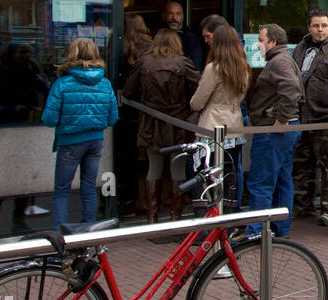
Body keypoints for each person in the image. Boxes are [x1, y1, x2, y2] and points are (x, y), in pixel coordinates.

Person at [123, 28, 201, 223]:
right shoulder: (183, 63)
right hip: (178, 122)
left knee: (154, 167)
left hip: (151, 122)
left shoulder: (143, 62)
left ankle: (152, 218)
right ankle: (176, 216)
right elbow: (200, 88)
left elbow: (127, 91)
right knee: (178, 168)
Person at [41, 39, 118, 230]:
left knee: (62, 190)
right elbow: (112, 118)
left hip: (70, 142)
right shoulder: (105, 83)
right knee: (89, 188)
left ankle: (60, 236)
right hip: (95, 141)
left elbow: (49, 118)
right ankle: (87, 234)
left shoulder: (62, 83)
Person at [243, 24, 304, 239]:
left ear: (273, 42)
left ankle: (255, 231)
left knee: (262, 182)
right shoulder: (284, 60)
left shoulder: (279, 62)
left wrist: (280, 120)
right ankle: (280, 229)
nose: (258, 44)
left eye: (261, 39)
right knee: (282, 180)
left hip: (273, 131)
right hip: (281, 129)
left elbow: (291, 90)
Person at [291, 10, 328, 226]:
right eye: (316, 25)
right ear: (309, 27)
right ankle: (303, 206)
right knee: (302, 165)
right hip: (303, 116)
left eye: (324, 25)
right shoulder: (300, 49)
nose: (320, 29)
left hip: (326, 117)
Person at [190, 24, 250, 210]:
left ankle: (208, 219)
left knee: (207, 175)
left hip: (212, 126)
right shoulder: (243, 67)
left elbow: (197, 102)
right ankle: (229, 216)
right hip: (235, 125)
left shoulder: (214, 68)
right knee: (230, 174)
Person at [162, 1, 204, 73]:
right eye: (170, 13)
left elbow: (196, 67)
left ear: (183, 16)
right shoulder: (159, 36)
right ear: (164, 16)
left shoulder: (191, 38)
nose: (174, 17)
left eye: (178, 14)